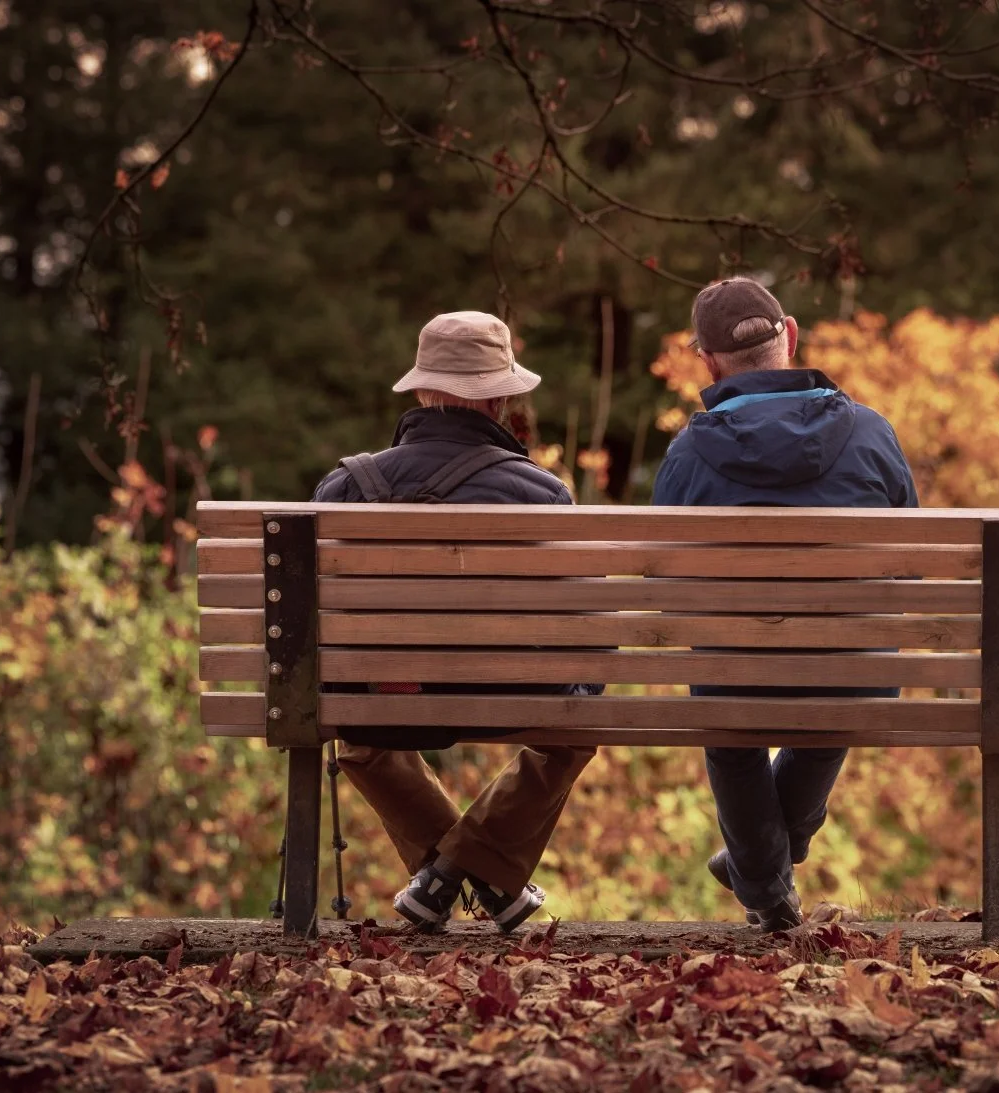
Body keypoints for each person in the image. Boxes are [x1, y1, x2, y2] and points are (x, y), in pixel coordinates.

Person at [311, 311, 596, 934]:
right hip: (508, 698)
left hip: (384, 699)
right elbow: (586, 630)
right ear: (498, 396)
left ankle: (445, 874)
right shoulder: (540, 494)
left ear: (419, 390)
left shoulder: (342, 489)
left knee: (354, 723)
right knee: (579, 720)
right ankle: (475, 870)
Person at [651, 278, 919, 931]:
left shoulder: (688, 452)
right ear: (790, 337)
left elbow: (662, 575)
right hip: (854, 677)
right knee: (844, 680)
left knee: (730, 720)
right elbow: (910, 557)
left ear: (708, 363)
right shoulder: (870, 432)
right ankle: (761, 867)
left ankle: (763, 882)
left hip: (737, 676)